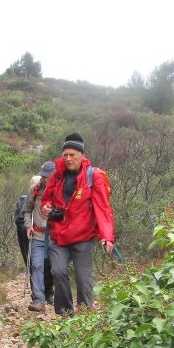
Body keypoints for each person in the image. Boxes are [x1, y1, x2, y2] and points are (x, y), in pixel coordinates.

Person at [40, 132, 116, 316]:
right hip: (59, 235)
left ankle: (85, 317)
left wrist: (107, 236)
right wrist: (46, 208)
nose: (68, 159)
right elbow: (45, 200)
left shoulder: (93, 176)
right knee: (57, 272)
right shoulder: (57, 176)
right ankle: (66, 315)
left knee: (83, 279)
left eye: (72, 155)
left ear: (82, 155)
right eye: (65, 155)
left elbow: (103, 208)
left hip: (83, 236)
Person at [22, 161, 55, 312]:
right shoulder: (34, 190)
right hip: (38, 235)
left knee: (55, 268)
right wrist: (28, 225)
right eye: (45, 176)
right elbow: (27, 210)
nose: (47, 179)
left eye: (50, 176)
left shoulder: (61, 190)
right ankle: (38, 300)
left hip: (56, 236)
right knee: (37, 266)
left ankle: (55, 296)